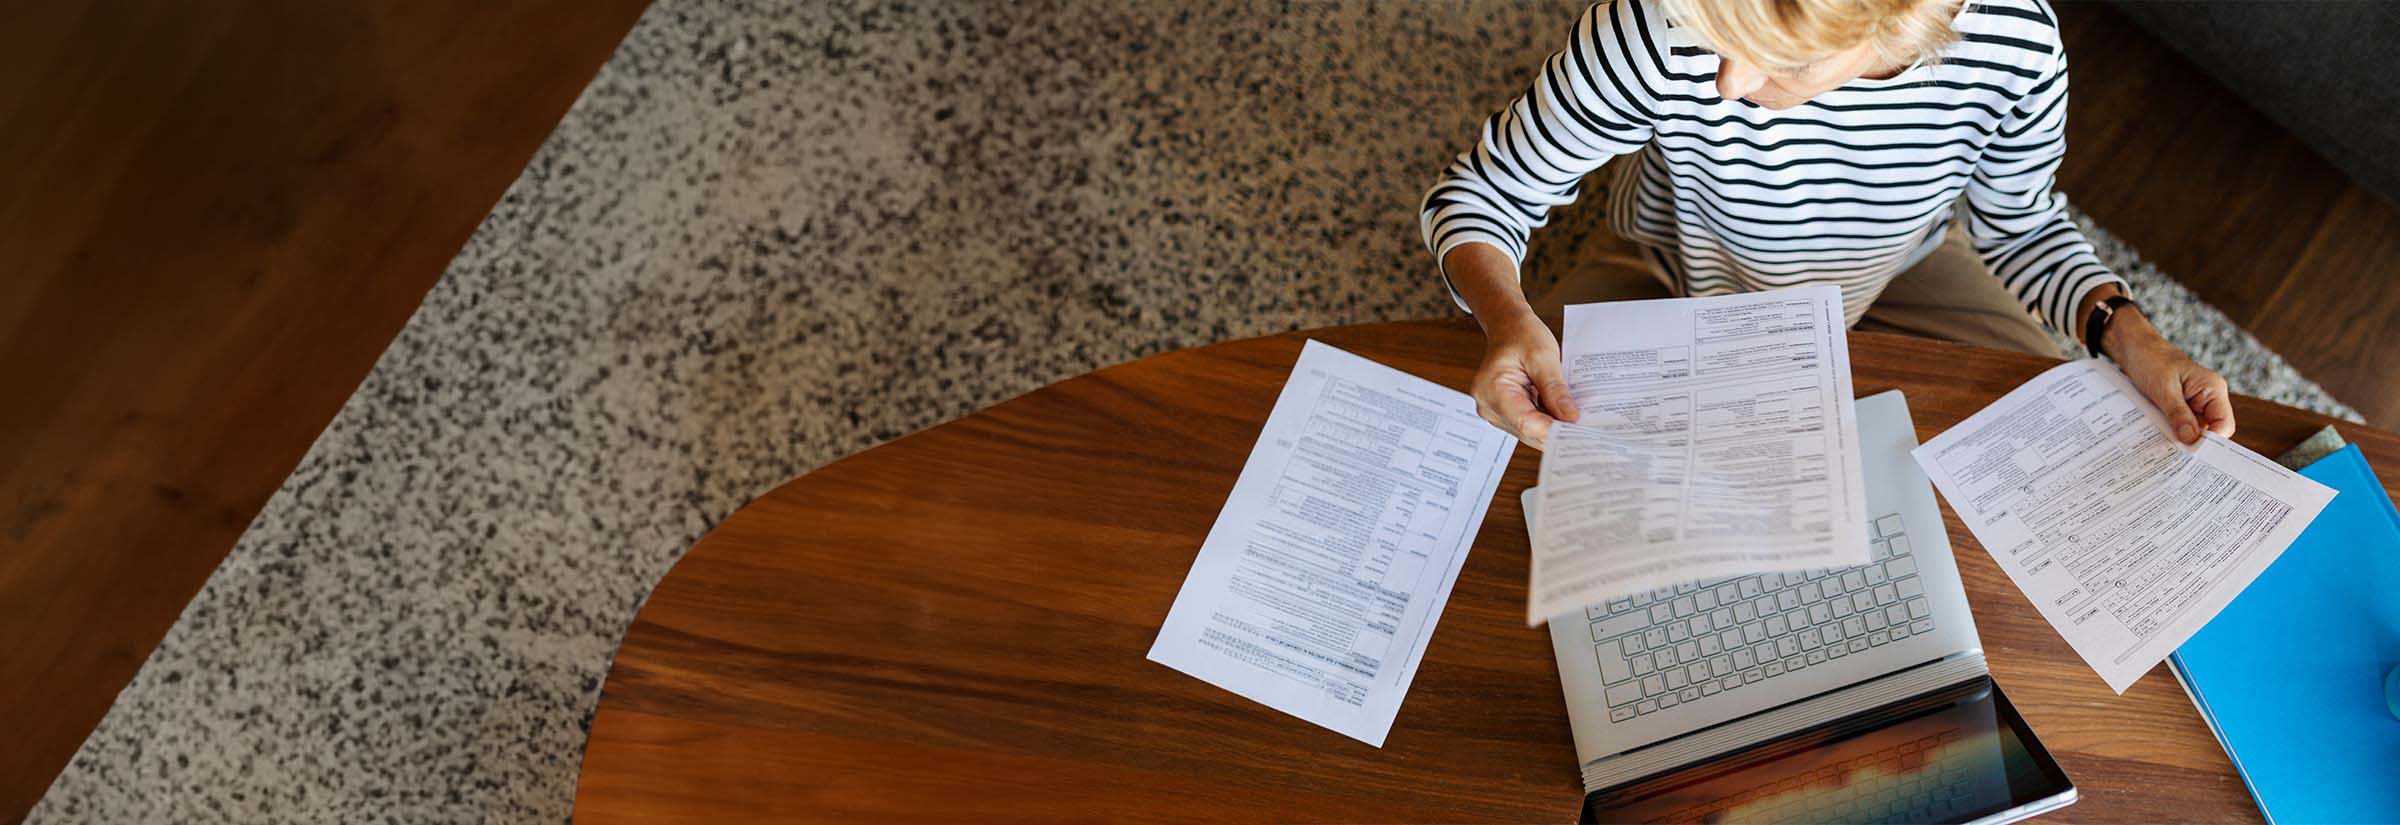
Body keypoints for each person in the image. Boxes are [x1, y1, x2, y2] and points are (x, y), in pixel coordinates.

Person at [1420, 0, 2234, 449]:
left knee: (2054, 432)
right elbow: (1480, 195)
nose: (1731, 84)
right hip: (1674, 265)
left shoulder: (2015, 43)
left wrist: (2133, 336)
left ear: (1902, 21)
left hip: (1905, 269)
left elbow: (2018, 225)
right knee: (1520, 451)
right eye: (1718, 40)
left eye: (1778, 60)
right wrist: (1506, 315)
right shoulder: (1651, 30)